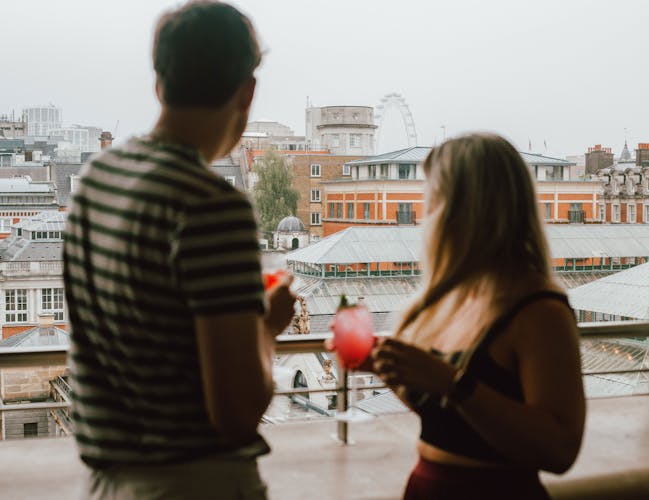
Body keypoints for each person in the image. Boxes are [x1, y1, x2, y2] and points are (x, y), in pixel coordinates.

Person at [63, 2, 295, 498]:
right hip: (196, 481)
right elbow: (236, 415)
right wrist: (266, 329)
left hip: (108, 479)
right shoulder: (211, 206)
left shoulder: (95, 180)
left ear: (159, 82)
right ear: (247, 90)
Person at [372, 134, 585, 499]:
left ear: (464, 210)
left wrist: (453, 383)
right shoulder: (454, 296)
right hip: (427, 485)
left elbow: (560, 450)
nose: (426, 216)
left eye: (434, 200)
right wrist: (393, 368)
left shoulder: (540, 312)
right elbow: (448, 419)